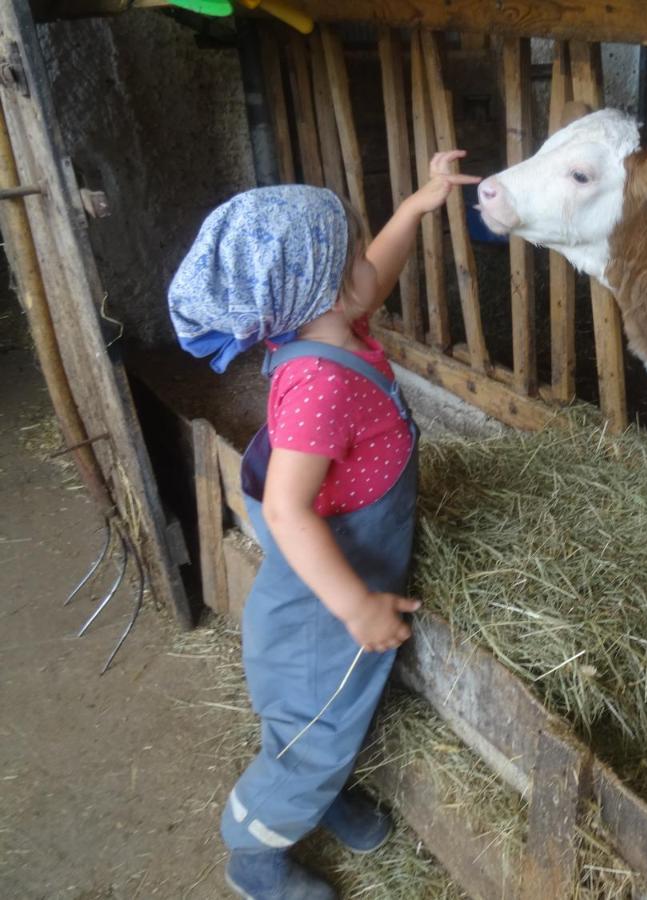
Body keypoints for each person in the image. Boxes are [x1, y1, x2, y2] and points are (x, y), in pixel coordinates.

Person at [168, 153, 479, 900]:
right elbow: (283, 509)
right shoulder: (322, 387)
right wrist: (356, 606)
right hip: (325, 602)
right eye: (351, 254)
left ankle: (323, 792)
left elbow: (376, 270)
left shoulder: (326, 323)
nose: (367, 260)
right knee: (314, 730)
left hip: (343, 569)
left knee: (326, 723)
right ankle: (254, 855)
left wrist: (415, 208)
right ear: (328, 287)